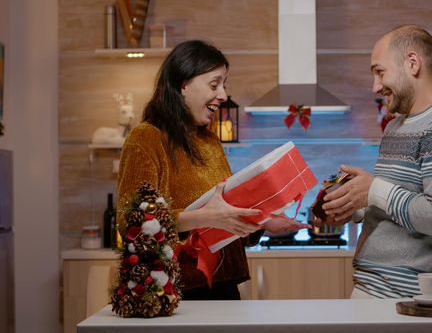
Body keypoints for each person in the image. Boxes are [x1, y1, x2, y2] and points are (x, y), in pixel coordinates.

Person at [117, 40, 308, 300]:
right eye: (214, 84)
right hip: (175, 291)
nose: (223, 95)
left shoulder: (209, 141)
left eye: (224, 84)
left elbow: (224, 213)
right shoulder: (146, 138)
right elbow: (131, 222)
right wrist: (205, 217)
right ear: (183, 84)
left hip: (224, 284)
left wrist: (264, 222)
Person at [322, 25, 432, 299]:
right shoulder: (395, 128)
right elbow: (395, 203)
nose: (375, 86)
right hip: (372, 290)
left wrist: (374, 190)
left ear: (412, 63)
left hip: (408, 300)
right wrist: (353, 204)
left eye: (380, 71)